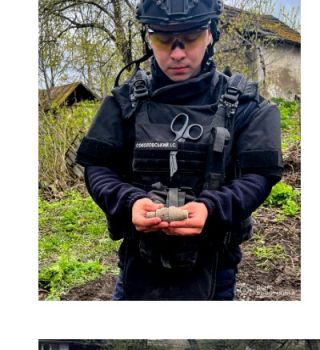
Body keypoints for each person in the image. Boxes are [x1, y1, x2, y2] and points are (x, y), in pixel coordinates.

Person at [75, 0, 282, 300]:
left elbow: (260, 176)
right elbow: (97, 168)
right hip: (137, 268)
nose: (177, 53)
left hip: (215, 271)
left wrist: (211, 210)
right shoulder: (123, 103)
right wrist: (130, 202)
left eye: (190, 38)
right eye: (164, 39)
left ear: (210, 33)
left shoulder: (247, 106)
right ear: (148, 38)